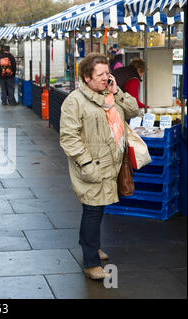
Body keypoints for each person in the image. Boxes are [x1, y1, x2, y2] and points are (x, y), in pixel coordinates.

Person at [59, 53, 139, 280]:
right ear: (86, 77)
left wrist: (117, 91)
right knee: (92, 211)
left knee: (98, 208)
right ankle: (91, 263)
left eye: (107, 73)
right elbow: (68, 137)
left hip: (112, 164)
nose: (106, 78)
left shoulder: (110, 94)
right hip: (92, 166)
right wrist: (86, 164)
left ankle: (91, 246)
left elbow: (133, 111)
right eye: (100, 74)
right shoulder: (74, 101)